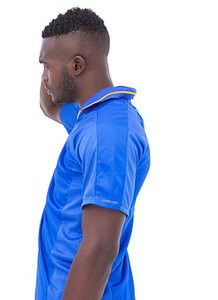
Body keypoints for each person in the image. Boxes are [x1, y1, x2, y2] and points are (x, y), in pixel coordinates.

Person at [36, 8, 150, 300]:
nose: (45, 78)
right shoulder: (91, 117)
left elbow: (100, 248)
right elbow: (50, 107)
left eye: (48, 67)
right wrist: (50, 53)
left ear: (76, 65)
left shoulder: (108, 134)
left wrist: (52, 54)